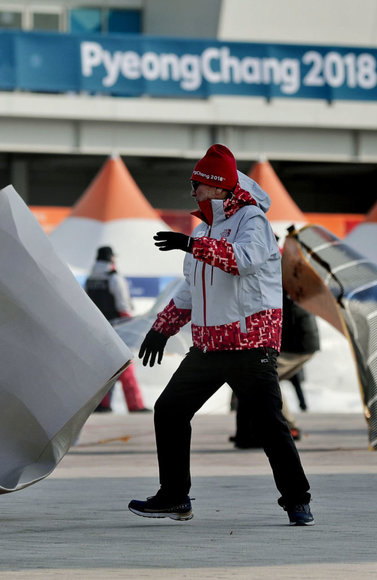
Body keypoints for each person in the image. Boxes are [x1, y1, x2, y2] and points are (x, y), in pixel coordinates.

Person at [129, 144, 314, 526]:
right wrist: (161, 329)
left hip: (250, 344)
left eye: (195, 184)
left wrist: (191, 244)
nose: (192, 191)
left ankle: (297, 499)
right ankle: (174, 497)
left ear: (216, 187)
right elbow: (191, 288)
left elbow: (242, 262)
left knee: (268, 424)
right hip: (210, 346)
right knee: (169, 410)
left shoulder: (253, 220)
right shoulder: (205, 228)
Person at [231, 291, 320, 447]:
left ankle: (286, 426)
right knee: (264, 377)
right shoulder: (287, 289)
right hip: (298, 343)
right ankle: (277, 427)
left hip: (298, 345)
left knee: (262, 375)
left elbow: (279, 319)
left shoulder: (283, 290)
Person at [84, 246, 148, 413]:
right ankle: (135, 405)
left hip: (98, 328)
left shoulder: (90, 279)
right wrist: (129, 324)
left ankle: (103, 404)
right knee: (126, 366)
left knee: (104, 368)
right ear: (111, 259)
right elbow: (123, 304)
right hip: (118, 326)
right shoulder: (114, 278)